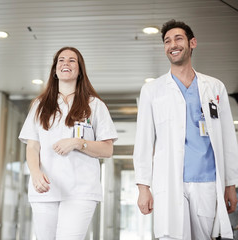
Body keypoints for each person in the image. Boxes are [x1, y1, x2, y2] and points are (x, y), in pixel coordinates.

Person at [133, 19, 238, 240]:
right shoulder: (152, 90)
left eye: (178, 38)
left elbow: (228, 139)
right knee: (170, 236)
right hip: (169, 179)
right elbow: (143, 141)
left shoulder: (215, 87)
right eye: (167, 41)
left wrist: (230, 184)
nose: (172, 44)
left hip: (207, 180)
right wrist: (143, 187)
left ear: (192, 43)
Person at [19, 46, 118, 240]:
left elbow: (107, 149)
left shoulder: (95, 105)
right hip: (45, 188)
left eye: (72, 60)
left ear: (80, 70)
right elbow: (32, 146)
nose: (66, 63)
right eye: (61, 60)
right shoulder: (40, 105)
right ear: (55, 70)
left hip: (80, 191)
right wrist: (35, 173)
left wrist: (78, 143)